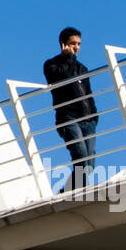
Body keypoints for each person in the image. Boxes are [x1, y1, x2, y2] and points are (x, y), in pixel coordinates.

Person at [43, 27, 98, 193]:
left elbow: (88, 94)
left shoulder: (82, 69)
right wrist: (68, 58)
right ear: (63, 44)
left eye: (79, 44)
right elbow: (64, 78)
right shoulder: (51, 65)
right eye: (73, 44)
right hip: (68, 118)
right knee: (81, 157)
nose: (77, 47)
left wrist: (95, 116)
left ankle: (67, 192)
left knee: (89, 166)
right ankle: (76, 194)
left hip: (88, 120)